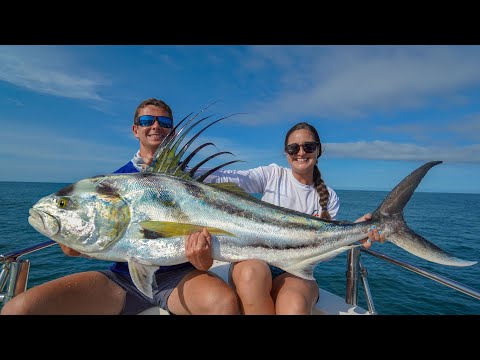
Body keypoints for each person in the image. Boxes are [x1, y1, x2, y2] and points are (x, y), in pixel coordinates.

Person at [1, 98, 240, 315]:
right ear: (135, 130)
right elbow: (73, 249)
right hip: (122, 278)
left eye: (164, 122)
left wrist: (202, 259)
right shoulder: (112, 182)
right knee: (18, 309)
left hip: (179, 276)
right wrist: (71, 241)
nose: (156, 126)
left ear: (172, 132)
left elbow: (205, 258)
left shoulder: (194, 184)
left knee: (222, 302)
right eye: (147, 120)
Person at [198, 121, 384, 314]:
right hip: (254, 260)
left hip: (296, 269)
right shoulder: (272, 175)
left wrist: (356, 233)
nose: (300, 153)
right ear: (286, 153)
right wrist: (180, 172)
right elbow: (228, 178)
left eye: (308, 147)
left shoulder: (330, 197)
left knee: (294, 304)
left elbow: (325, 249)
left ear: (319, 150)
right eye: (293, 148)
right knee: (251, 275)